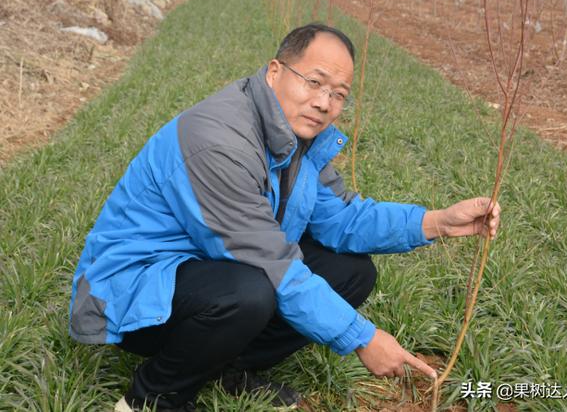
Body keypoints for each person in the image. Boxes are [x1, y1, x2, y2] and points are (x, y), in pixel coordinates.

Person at [68, 23, 501, 412]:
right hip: (135, 289)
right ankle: (150, 398)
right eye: (314, 82)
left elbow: (344, 220)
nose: (323, 102)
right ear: (275, 71)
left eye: (338, 94)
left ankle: (226, 368)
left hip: (207, 267)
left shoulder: (297, 139)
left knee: (351, 272)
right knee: (250, 290)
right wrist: (363, 339)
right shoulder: (219, 141)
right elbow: (270, 263)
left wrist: (440, 221)